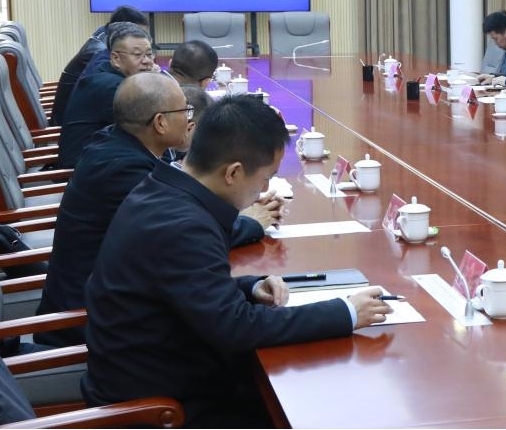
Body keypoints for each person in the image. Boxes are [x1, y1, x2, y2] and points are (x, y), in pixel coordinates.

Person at [82, 94, 393, 427]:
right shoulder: (185, 225)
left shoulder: (163, 188)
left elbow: (184, 287)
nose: (263, 190)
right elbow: (237, 329)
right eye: (265, 178)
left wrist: (250, 288)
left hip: (156, 368)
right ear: (233, 172)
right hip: (161, 406)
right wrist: (345, 312)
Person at [35, 74, 281, 346]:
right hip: (81, 322)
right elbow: (183, 235)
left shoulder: (117, 142)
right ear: (160, 123)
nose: (191, 120)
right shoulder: (124, 170)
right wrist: (249, 222)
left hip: (124, 306)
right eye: (185, 111)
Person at [57, 22, 153, 167]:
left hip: (99, 159)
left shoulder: (108, 73)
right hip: (86, 168)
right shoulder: (113, 88)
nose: (146, 61)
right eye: (138, 55)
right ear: (116, 59)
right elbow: (146, 134)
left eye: (149, 54)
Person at [50, 5, 147, 126]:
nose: (143, 38)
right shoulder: (99, 54)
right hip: (64, 124)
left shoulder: (105, 35)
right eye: (138, 34)